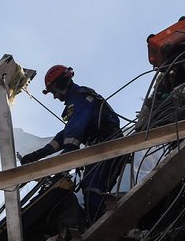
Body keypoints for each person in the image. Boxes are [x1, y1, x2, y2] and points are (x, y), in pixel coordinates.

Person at [19, 65, 125, 224]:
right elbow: (66, 134)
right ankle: (99, 223)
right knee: (90, 189)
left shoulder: (80, 98)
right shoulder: (78, 102)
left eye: (54, 91)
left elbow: (75, 130)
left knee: (92, 190)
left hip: (108, 146)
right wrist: (39, 154)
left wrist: (66, 159)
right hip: (101, 148)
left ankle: (104, 227)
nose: (55, 96)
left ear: (62, 83)